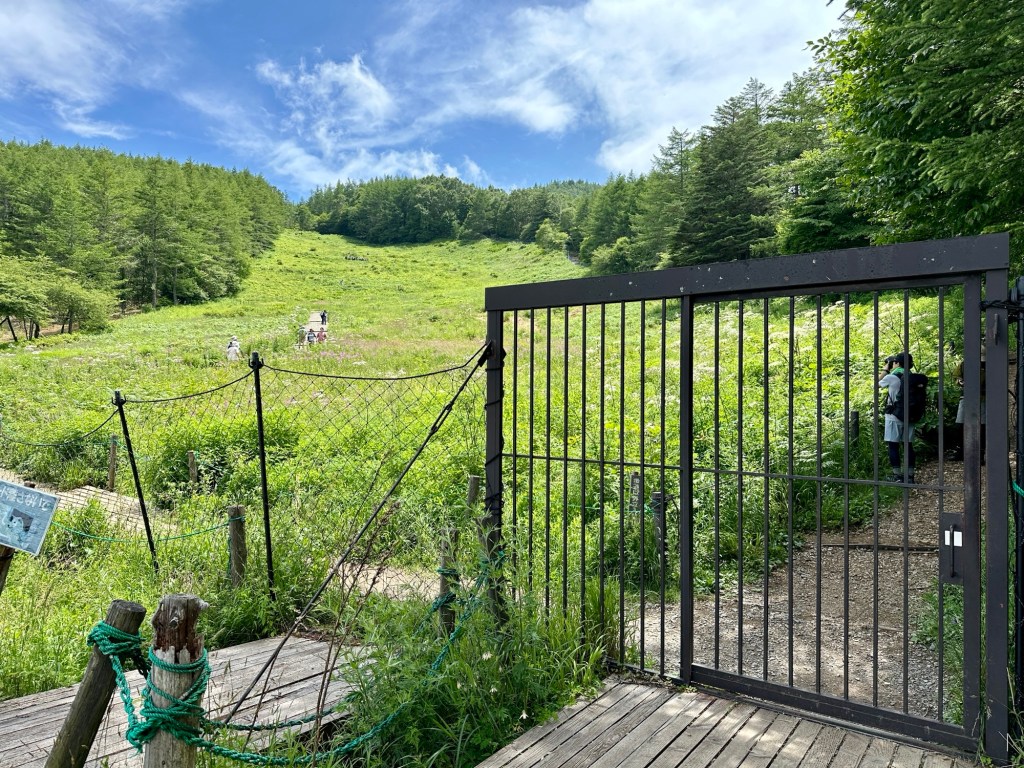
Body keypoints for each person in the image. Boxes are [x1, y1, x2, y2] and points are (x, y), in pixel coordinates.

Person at [878, 352, 917, 483]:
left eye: (894, 362)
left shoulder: (891, 377)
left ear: (897, 363)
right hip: (910, 416)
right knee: (908, 445)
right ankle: (910, 476)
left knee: (893, 445)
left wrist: (886, 369)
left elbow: (876, 383)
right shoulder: (913, 377)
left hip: (893, 415)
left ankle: (897, 476)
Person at [948, 357, 986, 463]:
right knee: (960, 425)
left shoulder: (988, 364)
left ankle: (980, 454)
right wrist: (960, 381)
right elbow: (956, 376)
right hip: (966, 397)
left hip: (983, 398)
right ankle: (960, 451)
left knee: (982, 426)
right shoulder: (964, 364)